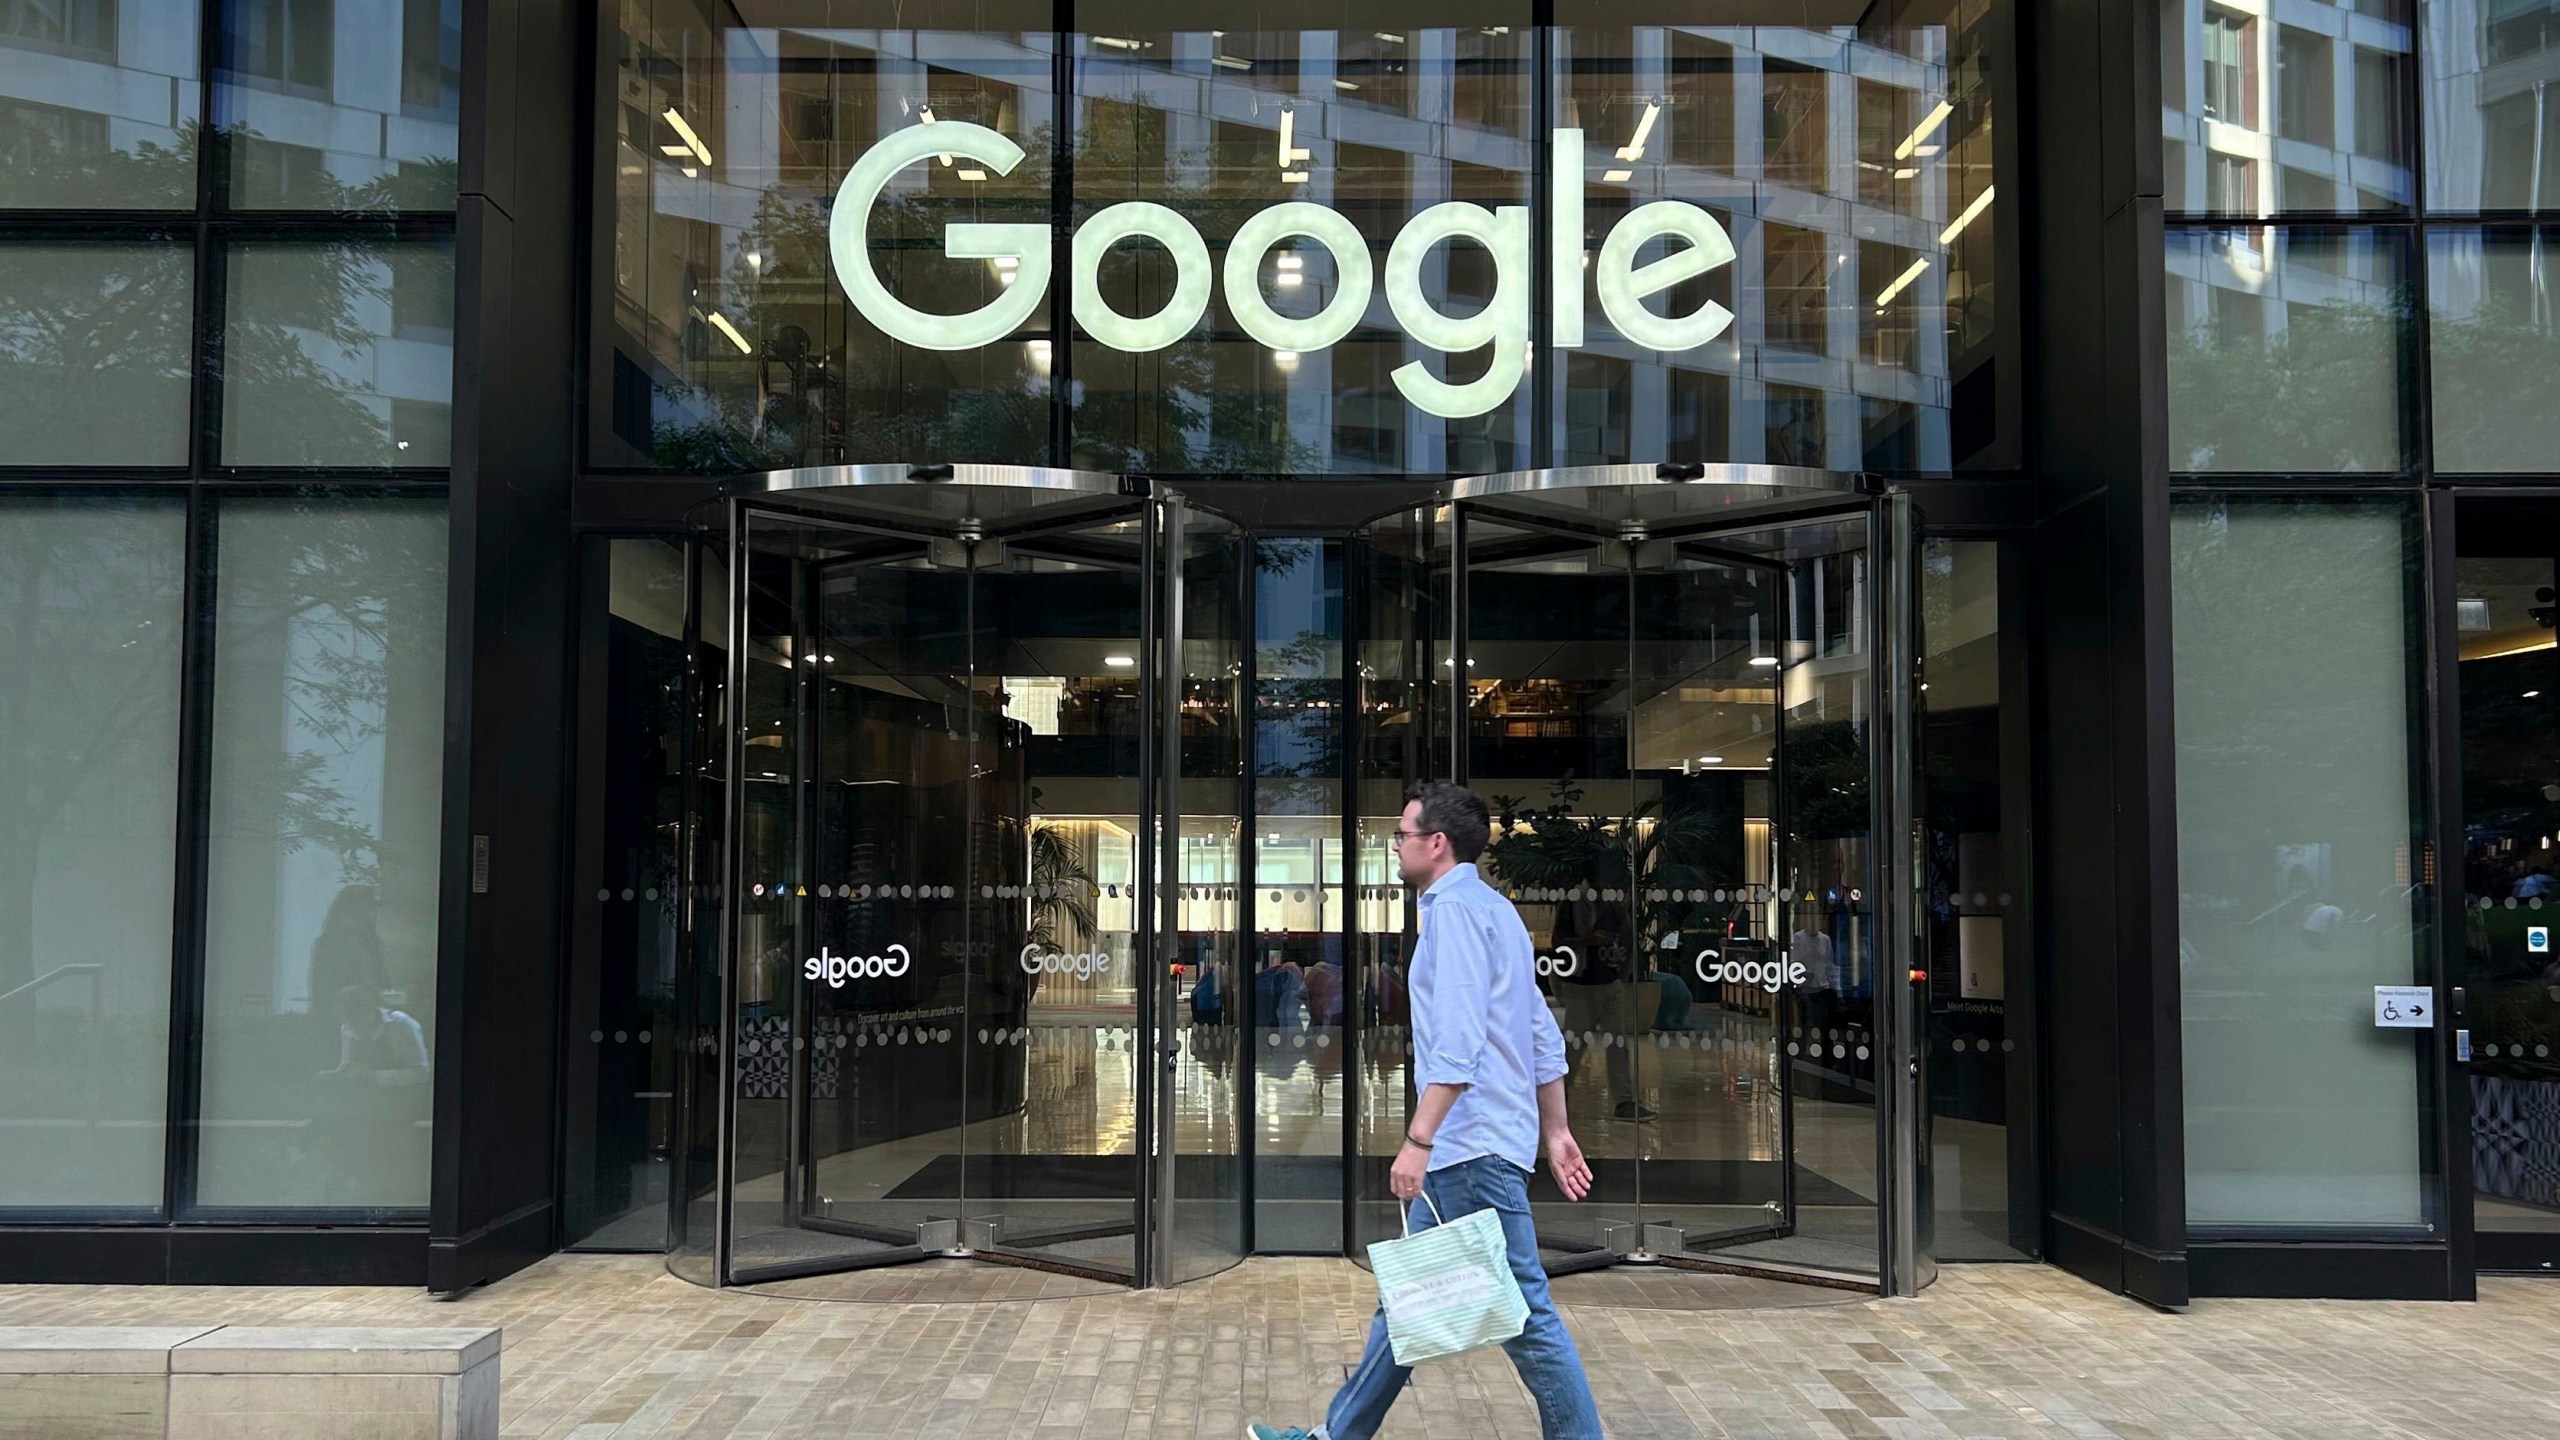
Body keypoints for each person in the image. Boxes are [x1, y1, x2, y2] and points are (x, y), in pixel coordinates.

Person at [1250, 784, 1603, 1440]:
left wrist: (1418, 1140)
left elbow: (1460, 1045)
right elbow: (1539, 1031)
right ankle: (1336, 1436)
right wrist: (1554, 1129)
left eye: (1402, 835)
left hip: (1471, 1146)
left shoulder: (1456, 915)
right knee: (1407, 1303)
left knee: (1526, 1313)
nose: (1395, 845)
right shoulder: (1496, 909)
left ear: (1436, 843)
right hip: (1483, 1140)